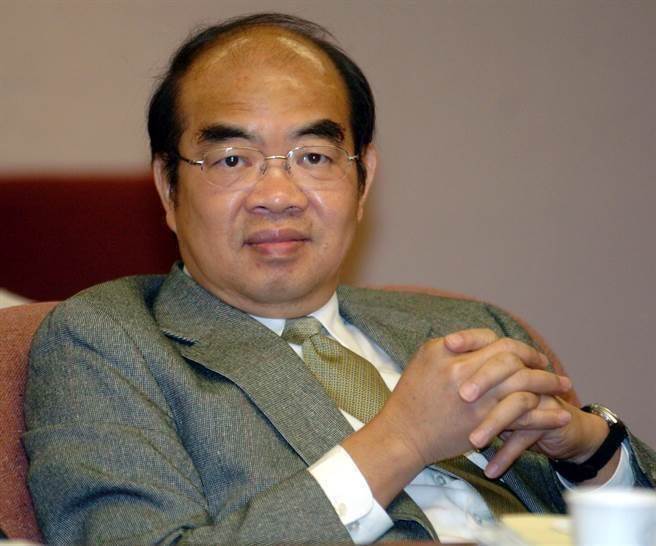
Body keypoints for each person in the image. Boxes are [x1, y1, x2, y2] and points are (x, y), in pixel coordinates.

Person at [25, 13, 655, 545]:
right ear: (168, 187)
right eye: (233, 159)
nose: (278, 195)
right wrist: (402, 438)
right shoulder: (107, 344)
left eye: (314, 157)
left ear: (363, 181)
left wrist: (593, 452)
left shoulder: (468, 328)